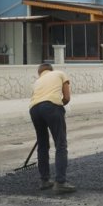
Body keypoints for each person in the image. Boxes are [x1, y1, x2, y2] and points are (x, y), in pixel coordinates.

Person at [29, 63, 76, 193]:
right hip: (51, 106)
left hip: (34, 110)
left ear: (40, 72)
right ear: (51, 70)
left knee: (43, 145)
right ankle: (60, 182)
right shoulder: (59, 73)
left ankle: (44, 180)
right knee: (60, 144)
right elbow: (66, 97)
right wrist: (60, 107)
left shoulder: (37, 82)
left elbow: (36, 100)